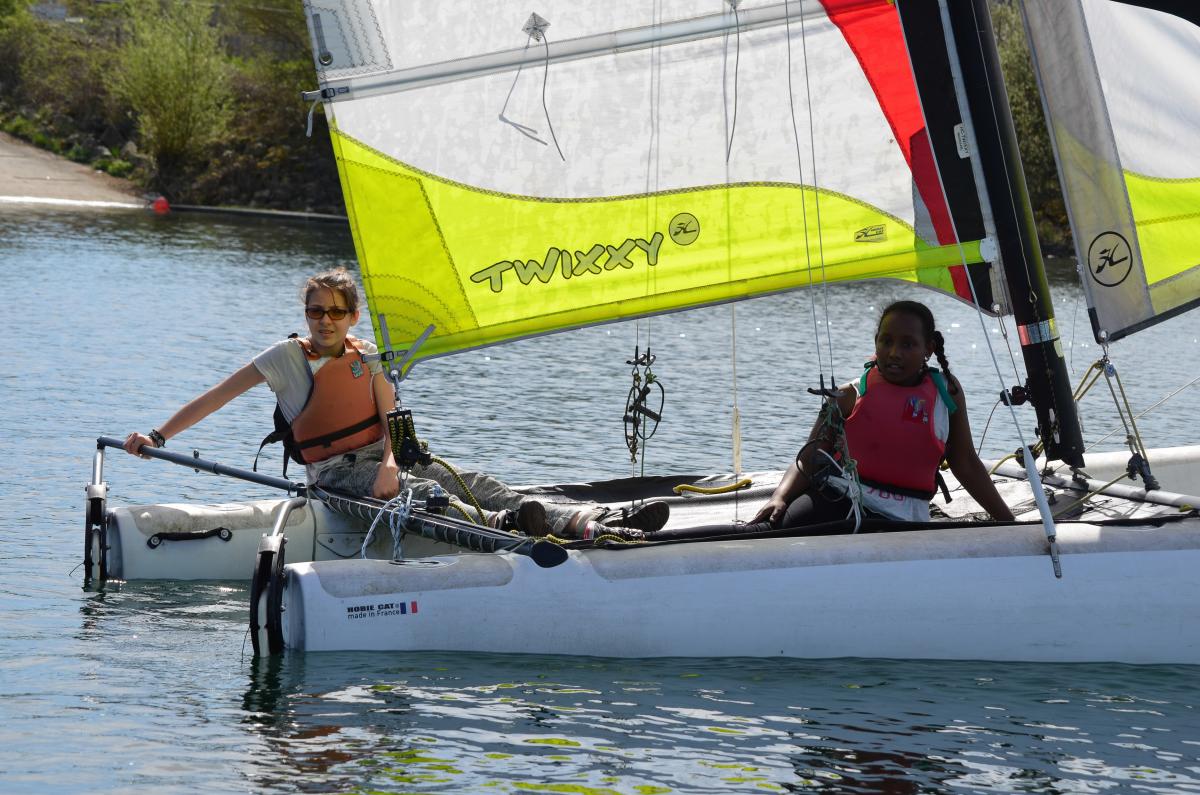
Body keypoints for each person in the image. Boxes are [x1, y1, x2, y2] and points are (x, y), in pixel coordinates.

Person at [123, 267, 669, 539]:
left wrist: (389, 463)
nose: (325, 321)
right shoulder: (284, 359)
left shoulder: (367, 355)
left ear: (352, 317)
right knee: (426, 495)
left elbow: (393, 421)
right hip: (335, 475)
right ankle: (506, 524)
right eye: (316, 311)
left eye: (336, 312)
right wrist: (158, 437)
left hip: (383, 459)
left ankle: (587, 522)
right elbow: (215, 397)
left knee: (479, 481)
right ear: (306, 313)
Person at [751, 299, 1015, 528]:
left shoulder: (947, 395)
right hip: (838, 498)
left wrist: (1009, 524)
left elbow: (965, 463)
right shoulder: (847, 396)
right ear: (876, 341)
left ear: (928, 349)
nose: (894, 353)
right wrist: (779, 497)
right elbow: (809, 459)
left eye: (908, 344)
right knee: (772, 529)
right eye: (886, 341)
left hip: (905, 517)